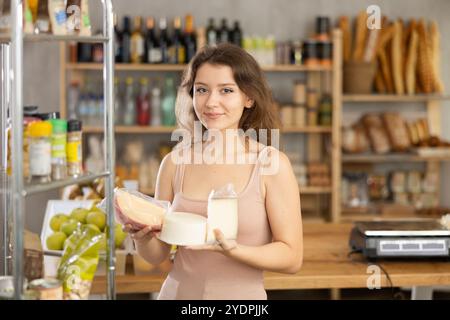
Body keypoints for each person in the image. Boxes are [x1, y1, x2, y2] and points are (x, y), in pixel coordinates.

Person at [124, 43, 303, 300]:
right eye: (202, 90)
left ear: (249, 97)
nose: (211, 102)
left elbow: (292, 257)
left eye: (226, 90)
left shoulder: (271, 164)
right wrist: (141, 238)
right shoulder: (174, 163)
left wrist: (233, 250)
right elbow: (158, 255)